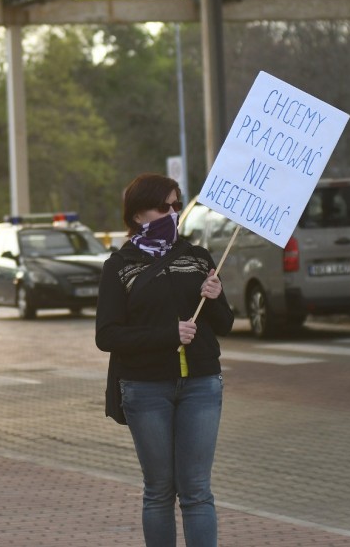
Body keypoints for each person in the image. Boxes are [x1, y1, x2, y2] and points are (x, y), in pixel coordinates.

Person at [95, 173, 234, 547]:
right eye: (164, 206)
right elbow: (107, 336)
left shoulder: (196, 256)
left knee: (197, 490)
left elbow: (225, 324)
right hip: (145, 387)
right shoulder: (120, 265)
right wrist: (166, 335)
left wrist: (217, 296)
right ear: (139, 213)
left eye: (177, 205)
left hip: (202, 385)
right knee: (159, 489)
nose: (173, 212)